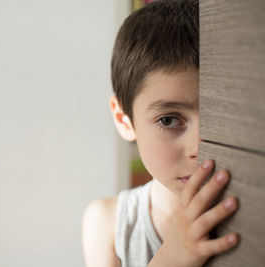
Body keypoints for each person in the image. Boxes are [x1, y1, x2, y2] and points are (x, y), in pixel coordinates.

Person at [81, 0, 239, 266]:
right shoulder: (108, 224)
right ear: (124, 119)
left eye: (218, 113)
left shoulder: (249, 214)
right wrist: (172, 258)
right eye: (168, 120)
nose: (198, 148)